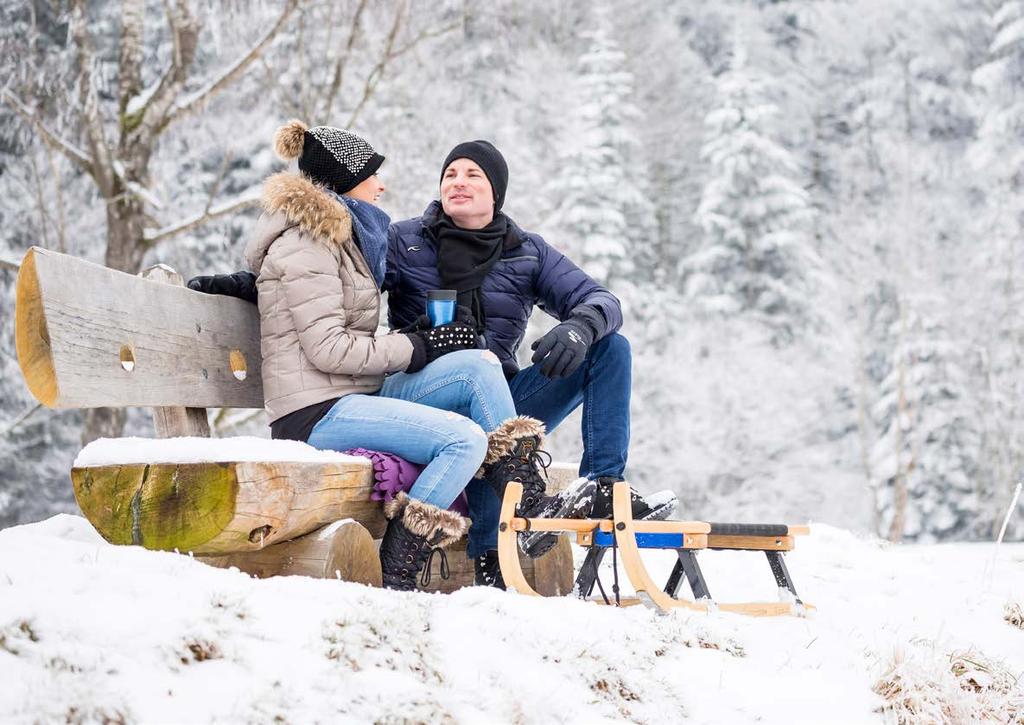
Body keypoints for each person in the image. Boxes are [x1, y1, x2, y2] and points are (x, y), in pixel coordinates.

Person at [197, 121, 594, 591]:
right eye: (371, 174)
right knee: (464, 440)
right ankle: (402, 566)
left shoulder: (342, 240)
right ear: (343, 182)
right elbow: (328, 346)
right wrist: (419, 346)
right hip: (316, 414)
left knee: (478, 363)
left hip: (352, 397)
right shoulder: (309, 242)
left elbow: (308, 297)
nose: (381, 185)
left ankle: (523, 496)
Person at [385, 141, 678, 560]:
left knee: (610, 347)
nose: (458, 182)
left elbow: (603, 300)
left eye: (472, 175)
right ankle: (492, 556)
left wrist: (579, 327)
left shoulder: (526, 251)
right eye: (450, 174)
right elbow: (344, 275)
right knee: (487, 415)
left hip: (502, 397)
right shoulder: (403, 241)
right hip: (429, 398)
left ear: (496, 192)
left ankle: (604, 488)